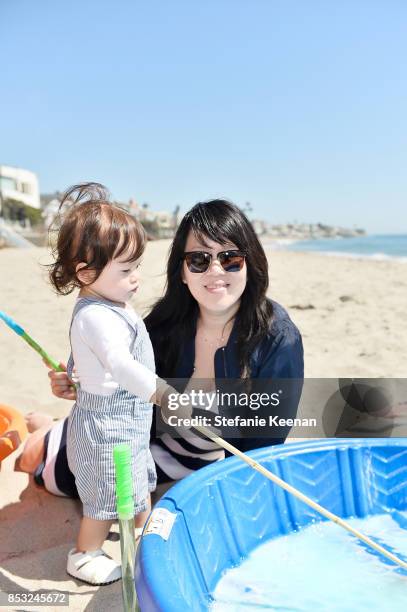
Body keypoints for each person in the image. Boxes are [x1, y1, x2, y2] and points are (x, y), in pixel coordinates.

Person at [48, 198, 304, 489]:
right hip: (127, 438)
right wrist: (81, 384)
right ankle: (42, 428)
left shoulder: (278, 339)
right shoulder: (163, 324)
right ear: (182, 271)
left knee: (60, 479)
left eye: (230, 258)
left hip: (188, 462)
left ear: (249, 264)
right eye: (199, 260)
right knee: (51, 462)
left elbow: (262, 450)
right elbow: (121, 378)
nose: (216, 271)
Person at [47, 183, 189, 586]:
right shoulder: (95, 315)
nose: (136, 279)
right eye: (126, 270)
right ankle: (85, 553)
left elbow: (88, 360)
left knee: (140, 476)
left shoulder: (111, 304)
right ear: (86, 272)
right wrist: (162, 393)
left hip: (129, 421)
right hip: (104, 430)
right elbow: (120, 363)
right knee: (106, 496)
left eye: (137, 267)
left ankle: (144, 530)